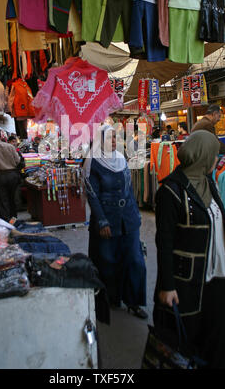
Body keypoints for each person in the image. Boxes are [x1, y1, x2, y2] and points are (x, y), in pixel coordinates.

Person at [153, 130, 225, 369]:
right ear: (203, 155)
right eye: (216, 156)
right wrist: (167, 286)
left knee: (218, 342)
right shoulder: (171, 191)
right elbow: (164, 242)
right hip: (186, 282)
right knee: (186, 345)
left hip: (217, 279)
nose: (218, 160)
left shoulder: (210, 184)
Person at [84, 124, 147, 318]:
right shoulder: (92, 162)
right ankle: (111, 297)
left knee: (135, 260)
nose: (113, 141)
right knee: (108, 261)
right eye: (109, 138)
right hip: (107, 219)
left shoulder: (121, 159)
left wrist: (135, 214)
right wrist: (102, 221)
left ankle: (134, 301)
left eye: (114, 138)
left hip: (128, 219)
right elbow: (92, 195)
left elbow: (128, 190)